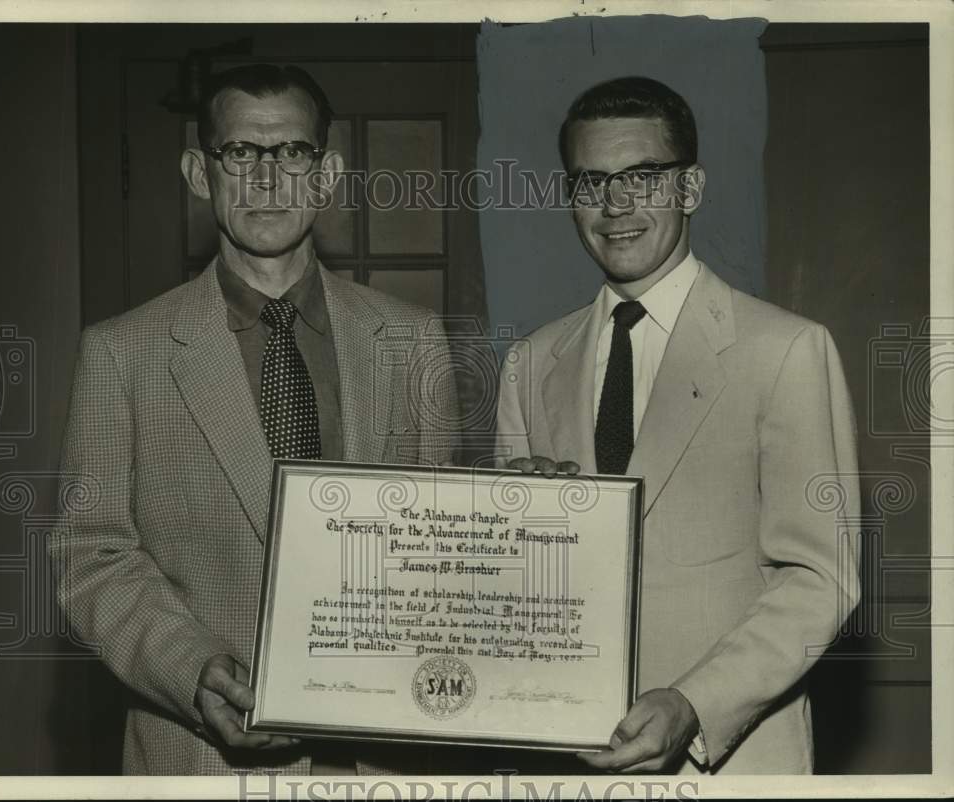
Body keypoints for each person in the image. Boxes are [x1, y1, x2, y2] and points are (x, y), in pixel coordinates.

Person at [50, 63, 458, 775]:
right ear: (199, 171)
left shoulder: (414, 340)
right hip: (199, 759)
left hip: (378, 760)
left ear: (326, 174)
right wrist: (193, 669)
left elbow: (443, 554)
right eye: (242, 152)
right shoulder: (122, 353)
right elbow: (92, 555)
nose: (268, 179)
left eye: (292, 153)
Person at [494, 76, 861, 774]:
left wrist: (693, 702)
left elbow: (824, 579)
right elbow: (514, 597)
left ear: (690, 189)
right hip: (563, 759)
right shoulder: (530, 363)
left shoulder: (784, 351)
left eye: (643, 177)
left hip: (725, 762)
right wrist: (517, 527)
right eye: (591, 181)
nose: (616, 205)